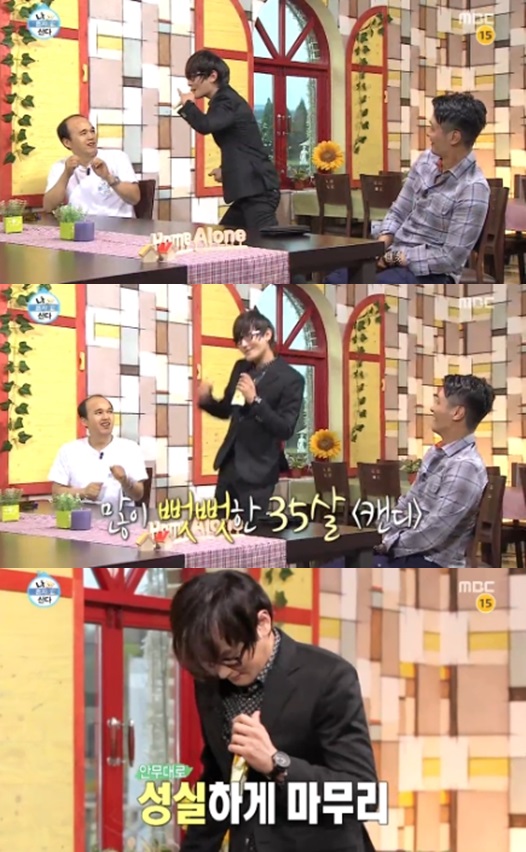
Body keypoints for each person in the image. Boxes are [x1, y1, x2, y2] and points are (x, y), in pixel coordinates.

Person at [169, 570, 378, 852]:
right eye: (210, 664)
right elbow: (218, 779)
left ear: (262, 623)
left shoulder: (328, 677)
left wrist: (276, 764)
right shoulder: (211, 682)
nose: (222, 673)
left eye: (232, 658)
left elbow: (362, 795)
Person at [374, 374, 495, 568]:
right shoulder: (435, 453)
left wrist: (389, 543)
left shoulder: (465, 466)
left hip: (431, 563)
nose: (432, 408)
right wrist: (383, 532)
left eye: (438, 401)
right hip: (407, 552)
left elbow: (433, 531)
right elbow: (409, 502)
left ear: (457, 413)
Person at [198, 309, 304, 521]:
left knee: (250, 531)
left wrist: (255, 400)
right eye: (239, 340)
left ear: (267, 334)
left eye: (248, 337)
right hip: (229, 465)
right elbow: (228, 409)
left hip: (259, 470)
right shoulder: (241, 368)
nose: (243, 345)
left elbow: (285, 429)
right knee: (222, 528)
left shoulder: (291, 379)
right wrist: (207, 400)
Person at [375, 92, 490, 283]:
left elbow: (449, 258)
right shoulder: (426, 160)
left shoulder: (473, 188)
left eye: (432, 128)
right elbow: (399, 211)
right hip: (392, 257)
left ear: (454, 137)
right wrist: (378, 249)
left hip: (432, 274)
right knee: (337, 278)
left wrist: (392, 259)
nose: (428, 134)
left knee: (367, 288)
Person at [177, 50, 281, 230]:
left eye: (194, 76)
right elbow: (240, 145)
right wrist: (226, 170)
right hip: (250, 191)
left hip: (258, 191)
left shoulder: (226, 100)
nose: (189, 83)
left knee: (267, 243)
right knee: (224, 238)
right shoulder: (224, 100)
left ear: (212, 76)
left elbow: (206, 125)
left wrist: (188, 105)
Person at [49, 394, 148, 509]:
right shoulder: (68, 450)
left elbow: (138, 495)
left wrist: (125, 481)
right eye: (99, 413)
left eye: (109, 412)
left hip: (120, 517)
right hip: (80, 516)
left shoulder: (131, 448)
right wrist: (83, 492)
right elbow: (56, 493)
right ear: (84, 421)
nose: (106, 417)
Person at [43, 114, 140, 216]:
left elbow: (135, 198)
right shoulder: (60, 166)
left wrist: (108, 177)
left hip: (119, 223)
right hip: (81, 223)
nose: (91, 137)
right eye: (83, 133)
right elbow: (49, 207)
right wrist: (66, 175)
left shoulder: (118, 157)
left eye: (92, 131)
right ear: (67, 142)